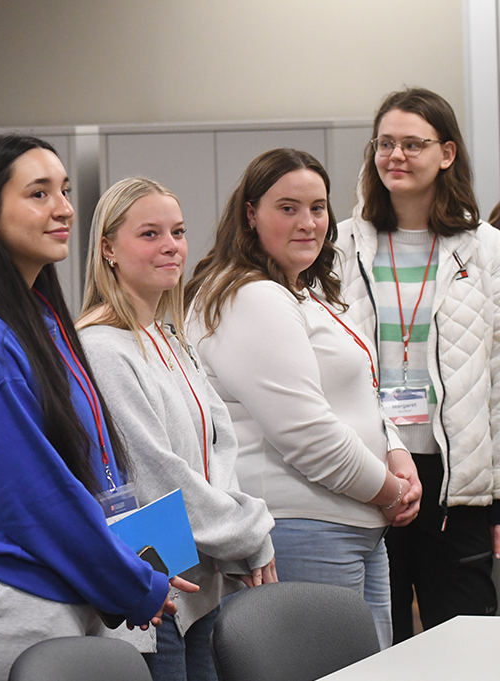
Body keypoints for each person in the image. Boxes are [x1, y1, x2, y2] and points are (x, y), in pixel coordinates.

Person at [0, 135, 196, 681]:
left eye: (62, 189)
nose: (62, 208)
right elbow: (28, 494)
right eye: (38, 194)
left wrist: (123, 564)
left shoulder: (33, 313)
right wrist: (128, 581)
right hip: (16, 597)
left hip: (66, 580)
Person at [184, 148, 420, 650]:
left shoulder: (304, 292)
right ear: (251, 214)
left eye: (317, 207)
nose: (308, 222)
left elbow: (362, 393)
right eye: (287, 207)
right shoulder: (250, 297)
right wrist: (392, 492)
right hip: (304, 526)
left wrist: (396, 452)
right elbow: (308, 434)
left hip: (353, 523)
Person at [76, 177, 276, 681]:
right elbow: (158, 476)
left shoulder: (168, 335)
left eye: (179, 231)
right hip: (154, 588)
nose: (171, 246)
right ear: (108, 249)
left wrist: (241, 533)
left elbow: (220, 447)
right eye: (149, 234)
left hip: (202, 577)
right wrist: (250, 533)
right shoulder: (103, 348)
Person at [335, 87, 500, 641]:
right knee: (377, 639)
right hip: (368, 467)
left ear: (447, 153)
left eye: (412, 143)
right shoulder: (342, 246)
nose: (395, 156)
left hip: (457, 480)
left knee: (466, 639)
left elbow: (498, 376)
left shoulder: (485, 250)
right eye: (385, 143)